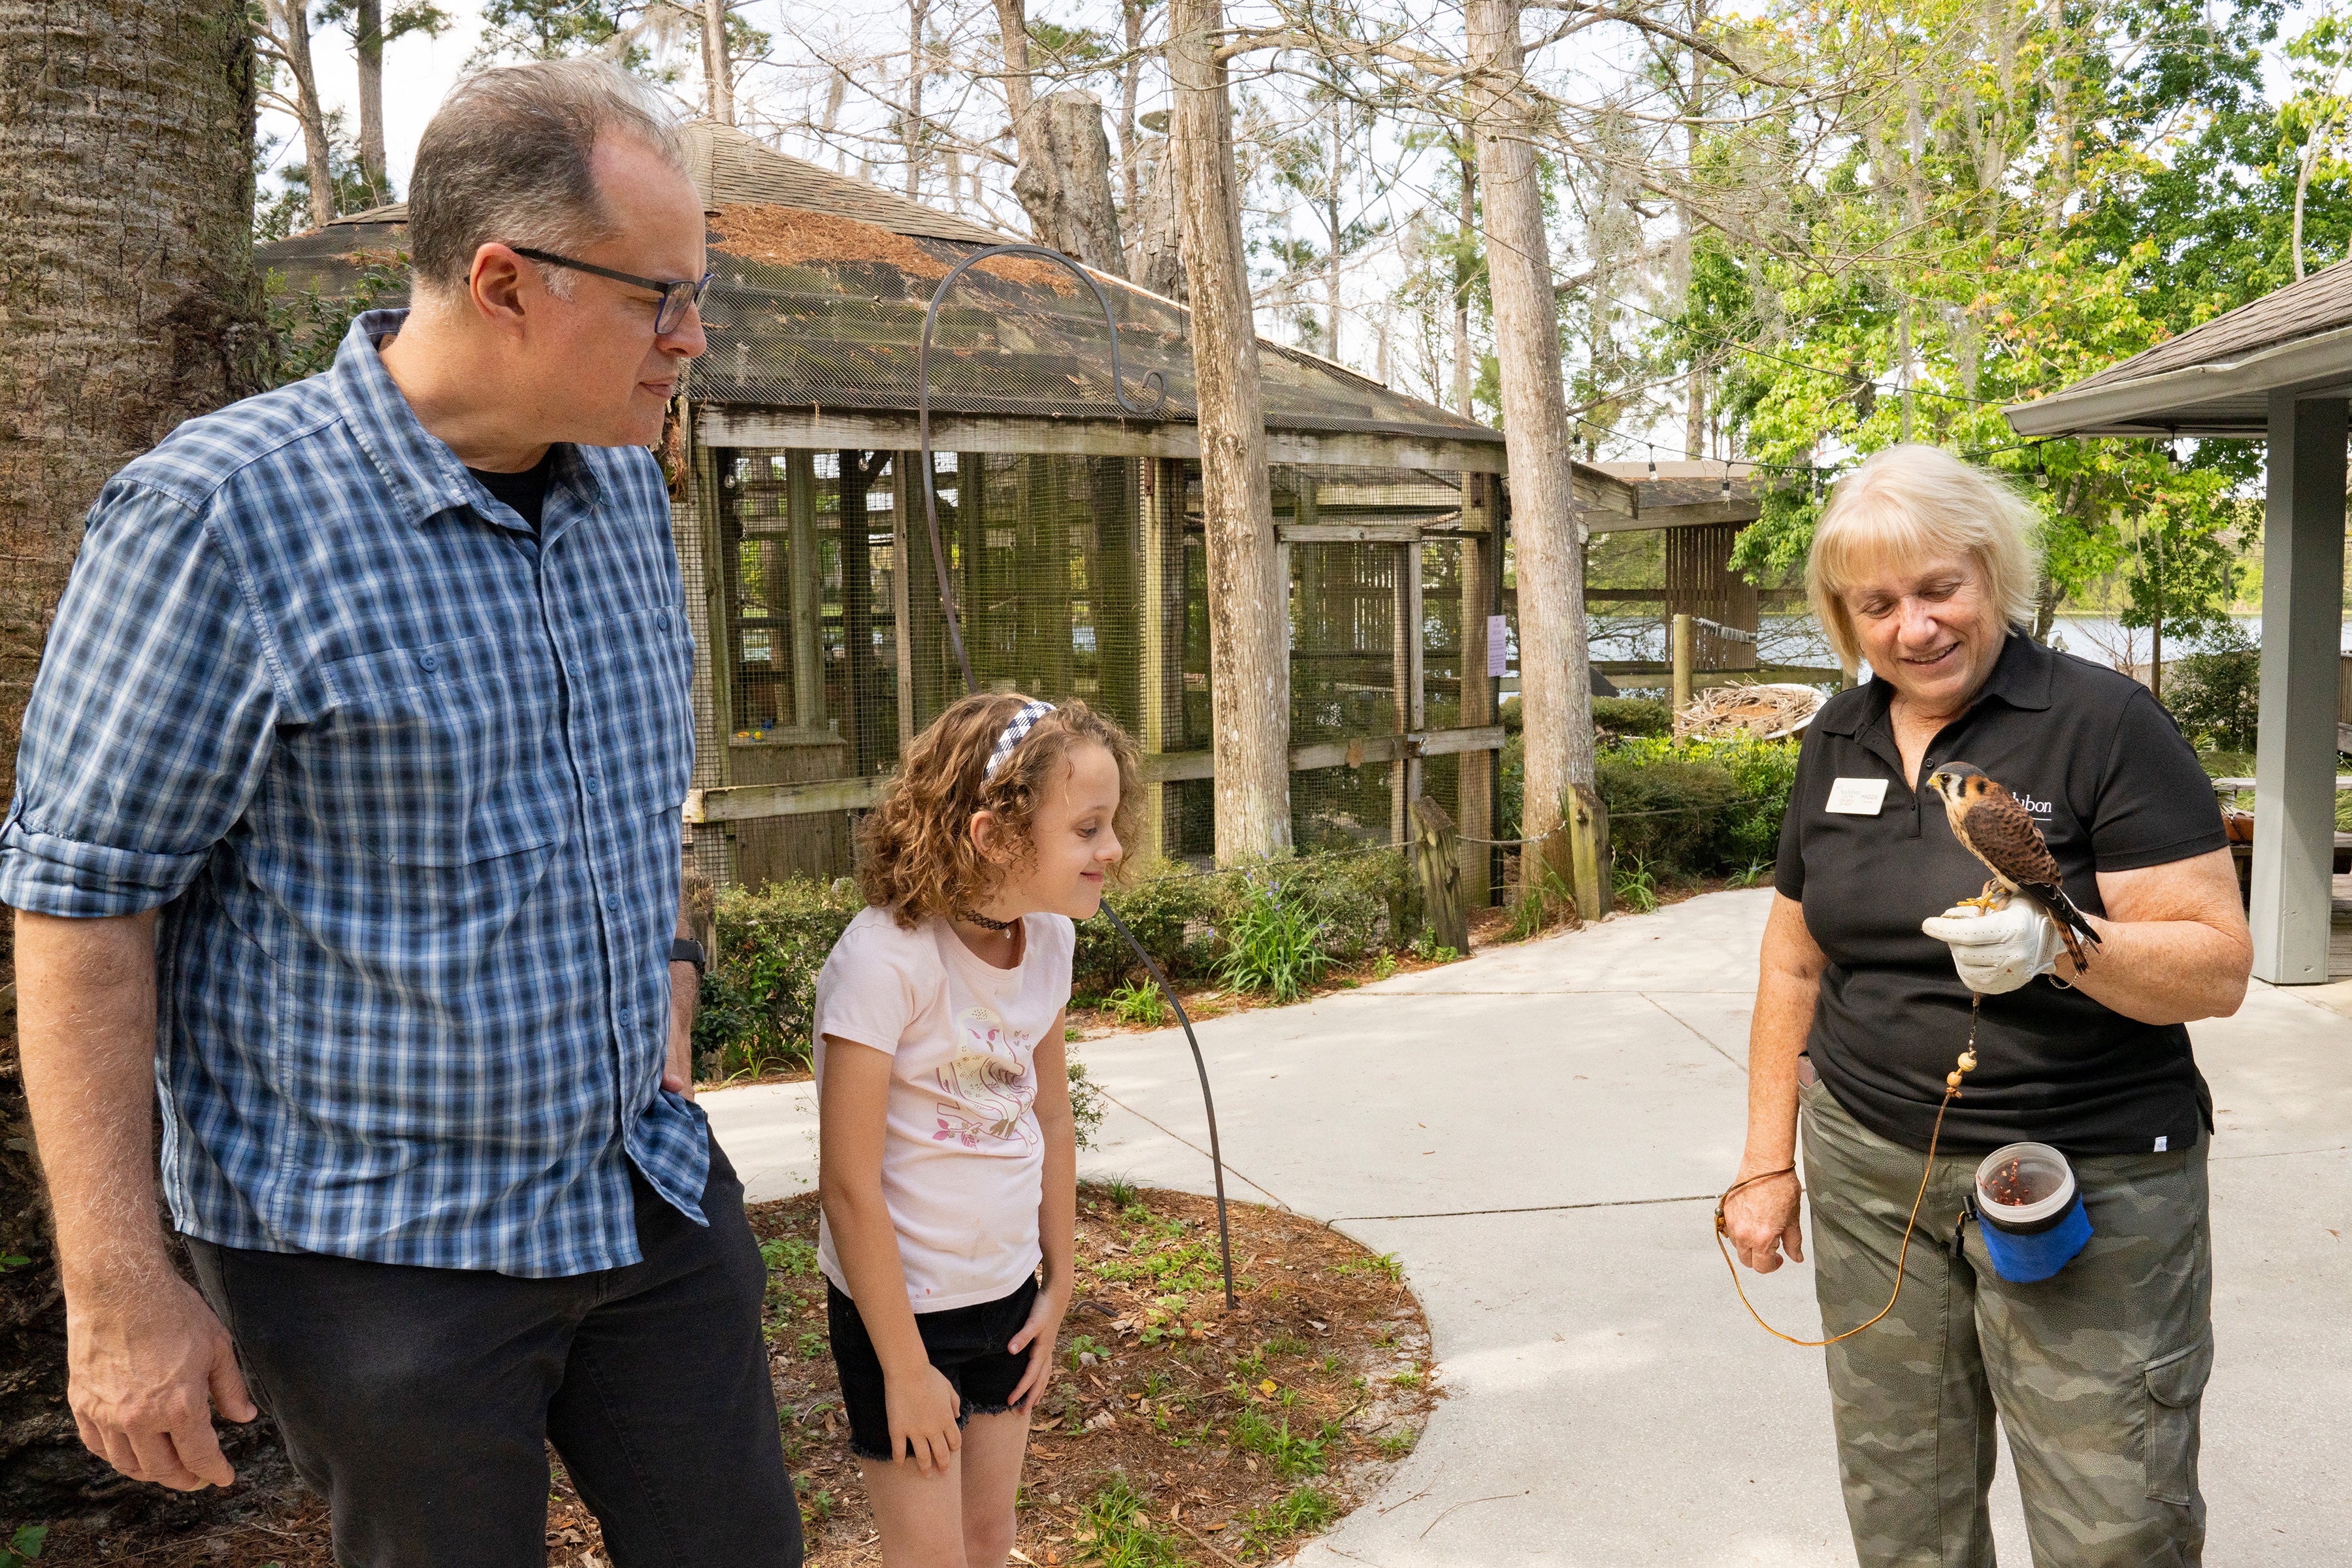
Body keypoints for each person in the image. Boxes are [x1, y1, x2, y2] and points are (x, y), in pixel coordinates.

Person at [5, 61, 803, 1567]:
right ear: (507, 282)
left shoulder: (624, 488)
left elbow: (627, 793)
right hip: (377, 1256)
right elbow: (81, 901)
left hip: (638, 1191)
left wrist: (675, 980)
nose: (691, 338)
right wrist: (117, 1292)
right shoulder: (218, 522)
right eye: (662, 298)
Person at [1720, 444, 2251, 1567]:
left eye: (1938, 589)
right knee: (1902, 1497)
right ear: (1843, 616)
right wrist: (1770, 1163)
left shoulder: (2104, 723)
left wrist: (2055, 948)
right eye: (1879, 604)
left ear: (1993, 574)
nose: (1914, 626)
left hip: (2089, 1171)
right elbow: (1794, 964)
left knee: (2114, 1514)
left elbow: (2215, 967)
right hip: (1875, 1175)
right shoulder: (1839, 737)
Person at [813, 693, 1138, 1566]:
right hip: (900, 1317)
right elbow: (848, 1187)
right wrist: (904, 1371)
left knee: (988, 1543)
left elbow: (1052, 1115)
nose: (1113, 850)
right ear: (995, 837)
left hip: (1004, 1300)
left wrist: (1059, 1279)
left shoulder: (1051, 945)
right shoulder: (884, 961)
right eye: (1088, 828)